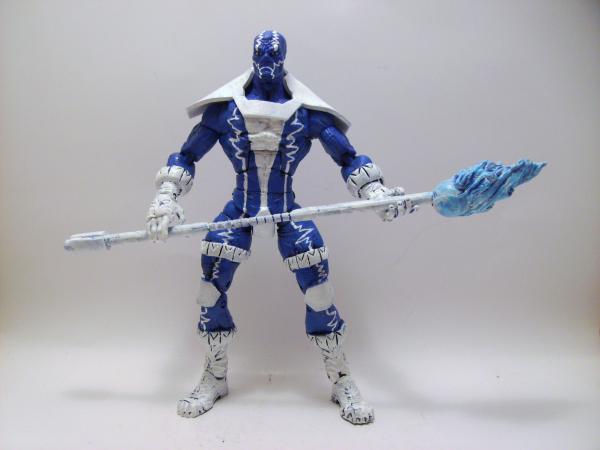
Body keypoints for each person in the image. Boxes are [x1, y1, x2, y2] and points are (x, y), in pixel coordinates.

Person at [145, 30, 415, 425]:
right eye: (261, 57)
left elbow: (348, 157)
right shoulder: (225, 112)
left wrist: (376, 193)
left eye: (274, 57)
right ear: (253, 58)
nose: (267, 65)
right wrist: (166, 199)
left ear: (283, 59)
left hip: (286, 210)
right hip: (240, 209)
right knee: (209, 287)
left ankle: (341, 378)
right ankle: (215, 374)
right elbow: (187, 155)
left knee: (319, 291)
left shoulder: (306, 113)